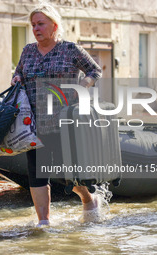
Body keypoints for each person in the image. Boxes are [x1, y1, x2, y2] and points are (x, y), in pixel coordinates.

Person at [11, 2, 102, 226]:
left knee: (67, 173)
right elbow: (18, 74)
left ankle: (88, 199)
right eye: (33, 25)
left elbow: (94, 69)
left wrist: (84, 84)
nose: (36, 29)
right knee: (36, 173)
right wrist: (16, 80)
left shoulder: (70, 49)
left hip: (64, 122)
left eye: (41, 24)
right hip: (33, 124)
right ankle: (43, 222)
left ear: (54, 25)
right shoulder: (28, 51)